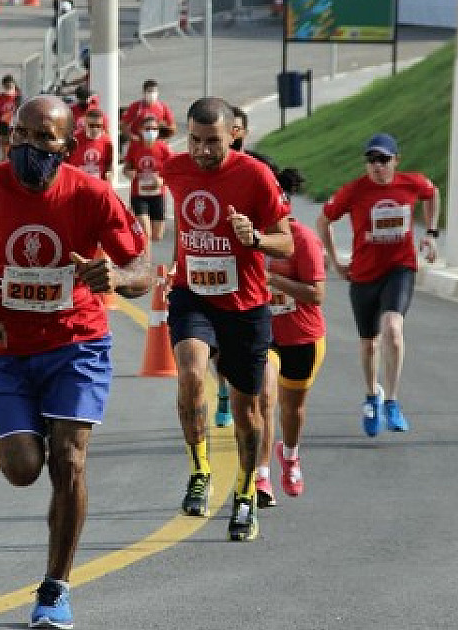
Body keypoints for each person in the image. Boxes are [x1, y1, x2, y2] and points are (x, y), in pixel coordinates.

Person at [0, 94, 151, 630]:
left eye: (42, 138)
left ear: (67, 146)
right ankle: (33, 439)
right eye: (19, 135)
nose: (27, 147)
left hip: (76, 345)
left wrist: (117, 279)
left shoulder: (92, 196)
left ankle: (55, 589)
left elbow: (141, 266)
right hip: (2, 351)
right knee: (24, 467)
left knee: (69, 459)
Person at [162, 96, 293, 542]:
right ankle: (199, 471)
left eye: (212, 141)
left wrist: (255, 237)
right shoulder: (175, 169)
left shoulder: (255, 175)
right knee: (191, 371)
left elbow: (287, 242)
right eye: (195, 140)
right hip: (191, 296)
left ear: (233, 134)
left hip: (244, 304)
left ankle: (244, 492)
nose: (202, 151)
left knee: (247, 409)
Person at [317, 132, 439, 437]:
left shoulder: (411, 183)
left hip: (399, 270)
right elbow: (323, 221)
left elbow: (433, 193)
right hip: (363, 275)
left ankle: (393, 401)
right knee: (369, 342)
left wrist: (432, 233)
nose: (377, 166)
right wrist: (334, 259)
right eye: (371, 160)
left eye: (384, 160)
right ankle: (372, 396)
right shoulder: (354, 191)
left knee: (393, 331)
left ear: (396, 161)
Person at [215, 105, 306, 428]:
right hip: (224, 276)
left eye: (238, 129)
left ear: (241, 133)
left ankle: (263, 468)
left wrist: (257, 238)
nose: (233, 135)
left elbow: (283, 230)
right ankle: (224, 392)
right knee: (215, 348)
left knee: (265, 395)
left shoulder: (258, 169)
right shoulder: (208, 169)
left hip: (257, 281)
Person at [255, 214, 324, 507]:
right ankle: (262, 475)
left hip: (301, 335)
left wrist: (272, 280)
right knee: (266, 397)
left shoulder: (303, 239)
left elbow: (316, 294)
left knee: (292, 408)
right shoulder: (247, 236)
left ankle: (290, 454)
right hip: (263, 333)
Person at [122, 114, 173, 244]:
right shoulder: (134, 147)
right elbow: (126, 169)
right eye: (147, 128)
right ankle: (146, 262)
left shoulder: (163, 148)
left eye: (154, 129)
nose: (151, 131)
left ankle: (140, 247)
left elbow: (173, 170)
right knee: (146, 233)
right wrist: (129, 173)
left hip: (158, 194)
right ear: (140, 130)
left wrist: (162, 180)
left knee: (157, 235)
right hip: (139, 194)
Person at [65, 109, 113, 181]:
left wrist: (109, 173)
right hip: (76, 185)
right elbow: (64, 163)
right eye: (91, 125)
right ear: (85, 124)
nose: (95, 129)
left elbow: (109, 164)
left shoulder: (107, 142)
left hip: (97, 185)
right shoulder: (73, 140)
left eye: (98, 126)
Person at [0, 74, 21, 162]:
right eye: (6, 87)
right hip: (3, 127)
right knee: (5, 152)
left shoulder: (19, 97)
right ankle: (6, 165)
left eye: (10, 86)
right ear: (3, 86)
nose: (8, 89)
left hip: (16, 127)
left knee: (14, 149)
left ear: (14, 85)